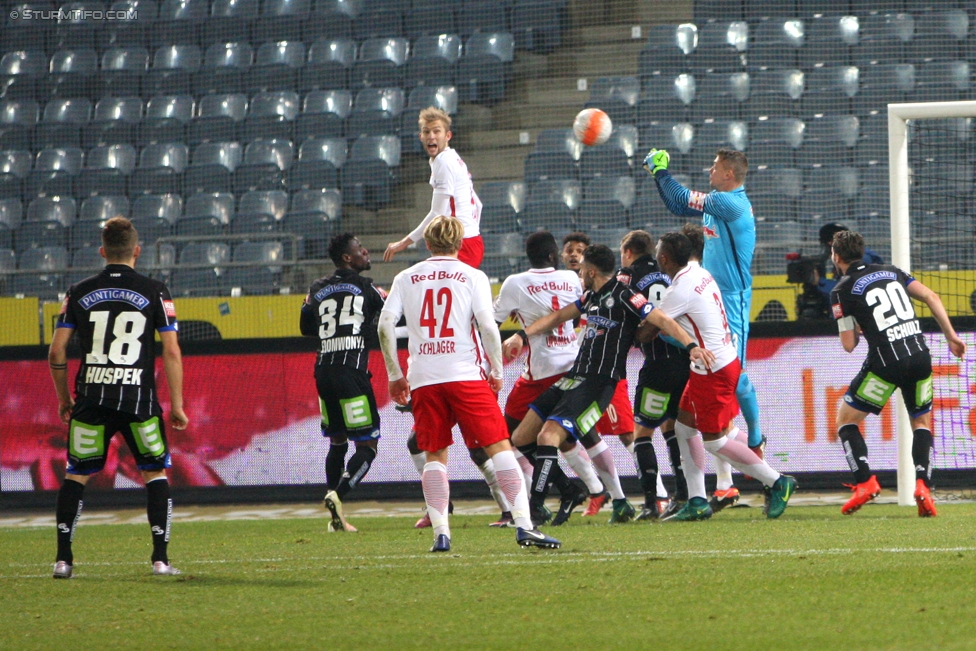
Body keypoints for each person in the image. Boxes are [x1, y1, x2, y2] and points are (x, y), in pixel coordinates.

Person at [378, 215, 560, 552]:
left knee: (434, 454)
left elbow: (385, 325)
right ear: (460, 244)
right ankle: (524, 526)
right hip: (465, 374)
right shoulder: (472, 275)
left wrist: (394, 375)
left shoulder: (406, 277)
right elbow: (488, 328)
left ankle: (441, 534)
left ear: (429, 244)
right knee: (499, 448)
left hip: (424, 378)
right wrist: (496, 369)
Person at [503, 244, 709, 525]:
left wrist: (692, 345)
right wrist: (521, 336)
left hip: (599, 383)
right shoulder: (590, 296)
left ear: (589, 271)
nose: (580, 275)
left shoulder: (625, 296)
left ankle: (537, 507)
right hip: (574, 376)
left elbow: (662, 319)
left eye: (582, 270)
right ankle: (568, 490)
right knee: (521, 438)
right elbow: (557, 317)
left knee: (547, 437)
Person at [48, 217, 187, 578]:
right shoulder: (156, 290)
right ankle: (160, 559)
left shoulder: (77, 291)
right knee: (154, 474)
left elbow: (56, 352)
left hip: (91, 399)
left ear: (102, 251)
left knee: (76, 475)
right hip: (138, 401)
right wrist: (178, 404)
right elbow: (171, 351)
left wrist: (65, 399)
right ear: (137, 251)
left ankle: (63, 560)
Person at [644, 232, 797, 521]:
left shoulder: (681, 289)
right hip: (716, 361)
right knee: (683, 428)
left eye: (659, 253)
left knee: (714, 441)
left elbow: (650, 329)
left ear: (664, 258)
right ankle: (698, 500)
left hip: (713, 368)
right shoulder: (699, 272)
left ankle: (777, 482)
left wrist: (637, 315)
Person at [645, 147, 766, 504]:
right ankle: (726, 482)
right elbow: (678, 206)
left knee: (735, 378)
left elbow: (681, 196)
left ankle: (757, 442)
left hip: (732, 300)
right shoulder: (720, 203)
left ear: (729, 174)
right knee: (708, 384)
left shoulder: (731, 204)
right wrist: (658, 177)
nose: (710, 169)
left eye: (715, 166)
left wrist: (661, 170)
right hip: (710, 297)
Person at [829, 230, 965, 516]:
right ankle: (923, 487)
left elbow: (849, 345)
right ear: (862, 251)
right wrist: (951, 336)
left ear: (836, 256)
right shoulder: (892, 271)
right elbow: (931, 295)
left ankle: (865, 481)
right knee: (922, 421)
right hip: (919, 355)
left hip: (886, 362)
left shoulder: (841, 290)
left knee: (845, 420)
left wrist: (857, 324)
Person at [493, 231, 600, 526]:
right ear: (555, 255)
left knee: (512, 437)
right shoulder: (571, 279)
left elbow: (491, 321)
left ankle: (556, 495)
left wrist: (496, 357)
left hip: (541, 372)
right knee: (561, 437)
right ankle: (583, 490)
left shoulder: (515, 283)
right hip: (572, 365)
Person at [300, 233, 387, 533]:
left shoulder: (317, 288)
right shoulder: (367, 287)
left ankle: (335, 514)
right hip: (352, 374)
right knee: (368, 444)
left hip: (323, 372)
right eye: (359, 248)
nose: (365, 251)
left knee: (337, 441)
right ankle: (338, 494)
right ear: (348, 258)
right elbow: (389, 315)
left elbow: (305, 326)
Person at [560, 231, 634, 518]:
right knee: (574, 430)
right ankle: (599, 490)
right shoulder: (563, 286)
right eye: (570, 250)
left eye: (581, 250)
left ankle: (658, 493)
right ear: (562, 254)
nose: (574, 254)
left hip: (605, 371)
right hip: (575, 370)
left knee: (627, 433)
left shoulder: (607, 290)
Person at [617, 230, 689, 520]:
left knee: (642, 433)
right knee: (673, 429)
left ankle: (650, 502)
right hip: (683, 363)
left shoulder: (628, 276)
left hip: (657, 365)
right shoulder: (673, 274)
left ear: (629, 252)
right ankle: (684, 495)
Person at [384, 107, 484, 268]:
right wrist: (472, 231)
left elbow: (437, 213)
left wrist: (403, 243)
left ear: (448, 136)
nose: (431, 136)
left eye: (436, 131)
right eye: (426, 132)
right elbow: (478, 205)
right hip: (469, 241)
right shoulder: (452, 158)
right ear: (421, 137)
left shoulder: (444, 162)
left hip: (460, 244)